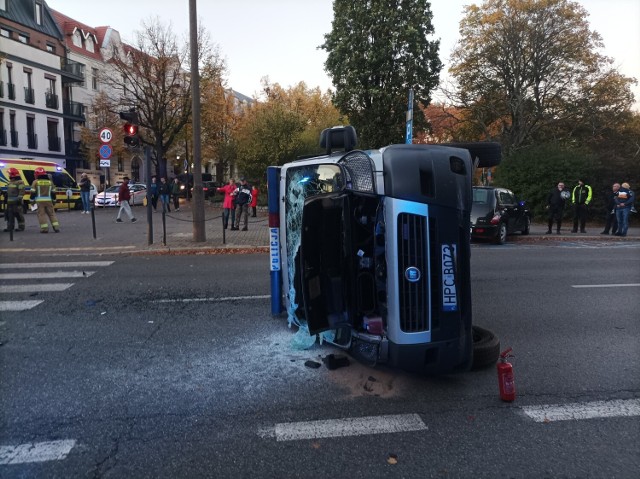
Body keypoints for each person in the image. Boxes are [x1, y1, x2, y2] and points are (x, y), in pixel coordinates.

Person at [30, 167, 60, 233]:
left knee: (41, 215)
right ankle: (56, 227)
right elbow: (53, 193)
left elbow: (33, 193)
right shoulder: (50, 182)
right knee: (52, 214)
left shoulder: (35, 182)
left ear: (37, 175)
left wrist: (31, 201)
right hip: (49, 201)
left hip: (39, 202)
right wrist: (54, 200)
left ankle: (44, 229)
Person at [4, 167, 26, 232]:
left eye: (9, 174)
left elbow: (21, 191)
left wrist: (19, 199)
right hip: (9, 203)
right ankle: (10, 227)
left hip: (17, 202)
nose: (8, 175)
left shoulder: (20, 182)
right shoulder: (10, 182)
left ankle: (21, 227)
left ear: (12, 175)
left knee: (19, 215)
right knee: (9, 216)